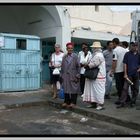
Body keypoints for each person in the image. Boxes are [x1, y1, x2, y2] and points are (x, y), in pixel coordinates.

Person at [83, 41, 106, 110]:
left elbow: (93, 64)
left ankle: (100, 104)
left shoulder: (98, 55)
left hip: (99, 76)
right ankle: (93, 103)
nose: (93, 49)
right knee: (93, 90)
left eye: (94, 48)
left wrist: (86, 66)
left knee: (98, 91)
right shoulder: (95, 55)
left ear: (96, 48)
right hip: (95, 76)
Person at [116, 42, 140, 108]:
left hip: (136, 75)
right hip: (128, 75)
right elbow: (125, 64)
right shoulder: (127, 54)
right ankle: (122, 102)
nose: (134, 47)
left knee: (135, 89)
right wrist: (125, 74)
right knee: (125, 88)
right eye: (133, 46)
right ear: (131, 46)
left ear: (137, 47)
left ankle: (133, 101)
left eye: (136, 46)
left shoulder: (139, 54)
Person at [61, 42, 81, 108]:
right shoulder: (64, 57)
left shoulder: (75, 56)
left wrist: (78, 75)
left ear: (73, 49)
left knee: (73, 89)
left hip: (73, 75)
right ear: (67, 49)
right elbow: (62, 67)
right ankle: (66, 102)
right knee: (66, 89)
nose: (70, 49)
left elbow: (78, 66)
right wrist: (62, 75)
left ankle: (73, 102)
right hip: (66, 76)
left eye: (71, 48)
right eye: (69, 48)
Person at [110, 38, 128, 105]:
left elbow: (114, 61)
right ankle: (127, 98)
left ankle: (121, 99)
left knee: (119, 86)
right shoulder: (125, 50)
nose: (112, 45)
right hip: (124, 70)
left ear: (114, 43)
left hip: (118, 71)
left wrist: (112, 71)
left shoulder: (115, 50)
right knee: (124, 86)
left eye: (113, 43)